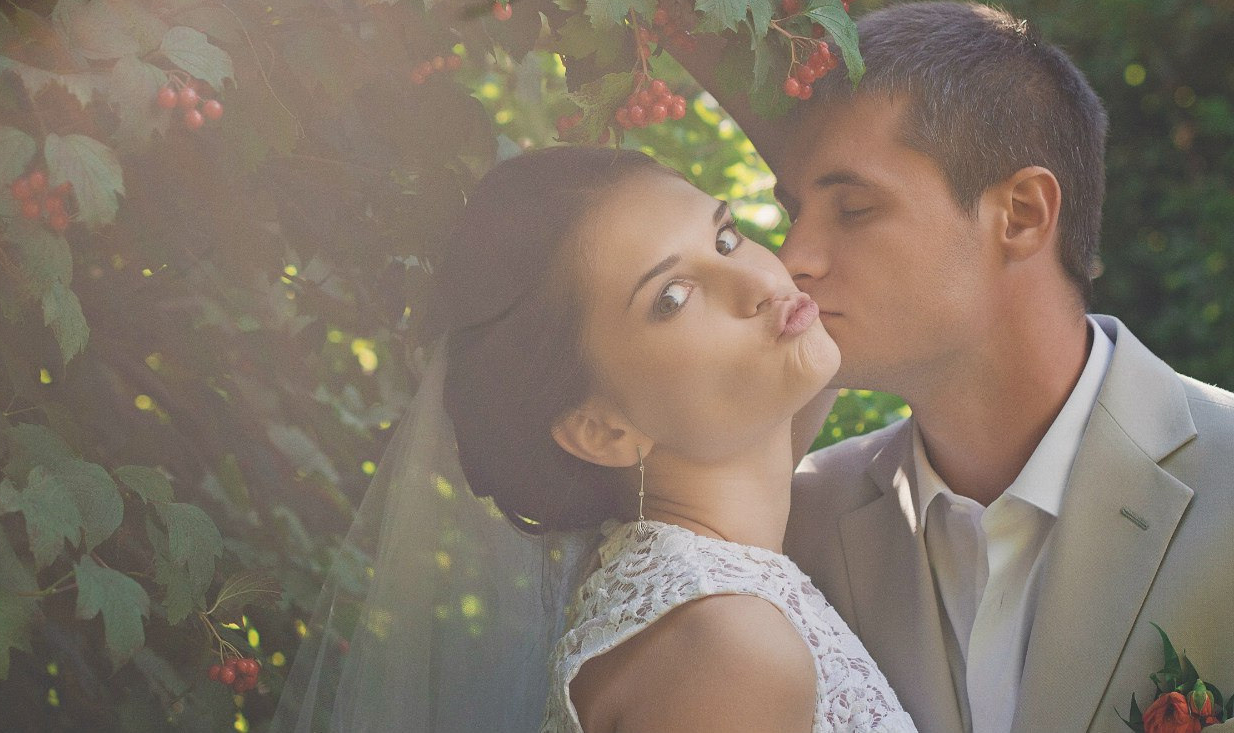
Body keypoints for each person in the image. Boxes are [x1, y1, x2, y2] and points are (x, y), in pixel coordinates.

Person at [590, 0, 1234, 733]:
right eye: (792, 213)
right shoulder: (796, 524)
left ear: (1024, 215)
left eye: (853, 210)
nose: (796, 260)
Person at [271, 146, 918, 732]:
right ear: (602, 428)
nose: (761, 283)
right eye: (671, 298)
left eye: (725, 238)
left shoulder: (676, 579)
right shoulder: (728, 645)